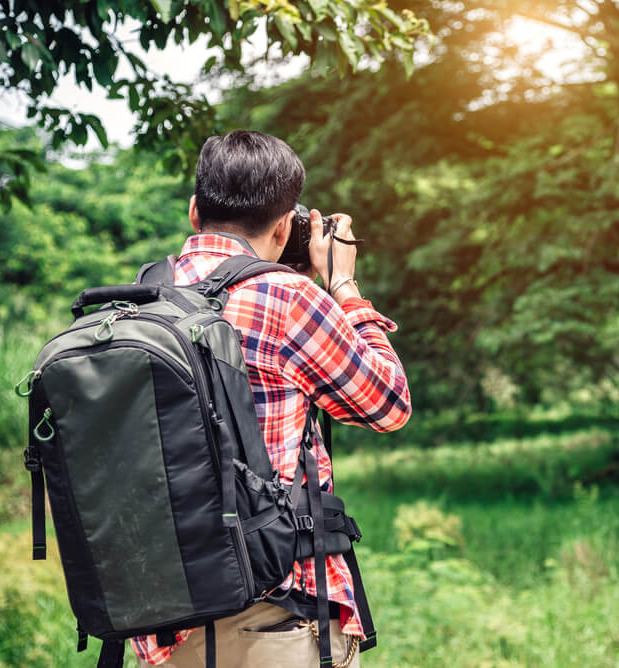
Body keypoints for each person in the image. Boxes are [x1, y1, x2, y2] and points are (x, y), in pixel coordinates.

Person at [131, 130, 412, 667]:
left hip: (166, 624)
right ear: (285, 226)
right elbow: (389, 405)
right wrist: (342, 287)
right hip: (275, 620)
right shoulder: (289, 298)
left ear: (195, 212)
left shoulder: (142, 299)